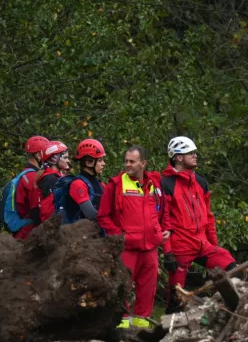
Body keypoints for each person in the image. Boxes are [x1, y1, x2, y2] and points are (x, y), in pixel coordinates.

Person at [160, 136, 236, 313]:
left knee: (233, 270)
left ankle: (227, 312)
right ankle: (165, 335)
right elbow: (164, 222)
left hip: (203, 245)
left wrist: (214, 245)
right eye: (190, 153)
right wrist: (168, 252)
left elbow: (209, 216)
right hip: (180, 248)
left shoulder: (200, 181)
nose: (195, 155)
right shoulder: (166, 184)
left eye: (195, 152)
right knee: (176, 298)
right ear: (178, 157)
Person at [97, 146, 169, 328]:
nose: (127, 164)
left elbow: (163, 211)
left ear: (143, 164)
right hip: (127, 248)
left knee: (147, 291)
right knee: (122, 290)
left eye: (132, 161)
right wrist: (119, 236)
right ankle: (120, 331)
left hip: (150, 247)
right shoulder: (116, 184)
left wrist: (164, 230)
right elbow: (103, 217)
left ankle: (140, 331)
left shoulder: (155, 184)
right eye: (126, 161)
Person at [58, 139, 106, 222]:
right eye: (100, 160)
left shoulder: (100, 184)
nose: (103, 163)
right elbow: (90, 213)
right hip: (78, 233)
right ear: (88, 163)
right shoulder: (78, 184)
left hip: (95, 231)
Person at [13, 135, 50, 239]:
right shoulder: (32, 177)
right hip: (28, 231)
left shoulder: (25, 174)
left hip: (25, 229)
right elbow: (36, 209)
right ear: (39, 155)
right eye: (47, 153)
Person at [37, 140, 67, 222]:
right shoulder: (50, 179)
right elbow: (49, 209)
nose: (67, 161)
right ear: (54, 159)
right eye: (65, 158)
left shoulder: (56, 177)